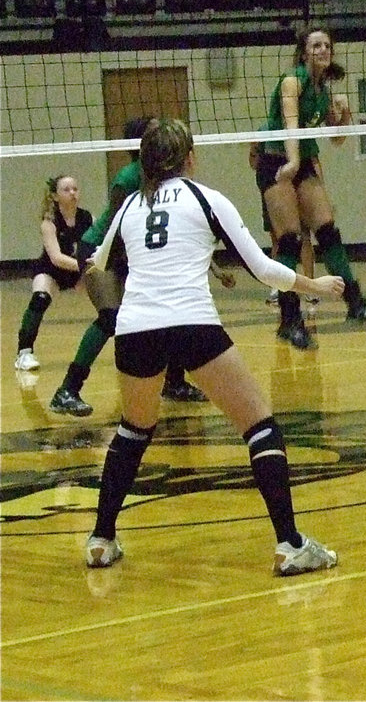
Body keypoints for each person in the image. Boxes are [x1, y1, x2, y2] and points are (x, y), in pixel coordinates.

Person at [87, 119, 341, 575]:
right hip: (191, 323)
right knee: (260, 425)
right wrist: (315, 286)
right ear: (189, 159)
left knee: (133, 430)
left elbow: (97, 263)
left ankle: (101, 539)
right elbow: (263, 268)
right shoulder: (205, 198)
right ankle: (289, 544)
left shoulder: (129, 206)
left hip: (136, 328)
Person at [50, 117, 209, 417]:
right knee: (110, 318)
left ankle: (173, 382)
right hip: (101, 250)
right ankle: (67, 390)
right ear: (141, 143)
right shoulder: (127, 177)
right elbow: (118, 226)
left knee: (168, 308)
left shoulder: (166, 177)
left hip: (131, 253)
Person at [257, 25, 366, 351]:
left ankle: (355, 301)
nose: (323, 50)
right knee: (290, 239)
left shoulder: (322, 88)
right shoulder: (292, 81)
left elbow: (336, 139)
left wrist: (345, 114)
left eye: (327, 45)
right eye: (316, 46)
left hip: (303, 163)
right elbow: (290, 125)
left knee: (327, 229)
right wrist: (294, 162)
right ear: (304, 52)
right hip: (277, 163)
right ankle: (289, 320)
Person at [14, 175, 93, 372]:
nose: (73, 193)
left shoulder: (88, 218)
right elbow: (57, 258)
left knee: (111, 300)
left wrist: (86, 276)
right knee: (40, 298)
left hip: (78, 269)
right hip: (52, 271)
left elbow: (96, 248)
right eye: (66, 190)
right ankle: (24, 353)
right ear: (56, 197)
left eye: (75, 188)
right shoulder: (49, 221)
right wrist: (84, 266)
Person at [248, 136, 316, 311]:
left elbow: (314, 161)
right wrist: (254, 149)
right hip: (274, 190)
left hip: (297, 189)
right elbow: (254, 164)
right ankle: (278, 286)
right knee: (278, 239)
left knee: (304, 237)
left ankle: (310, 285)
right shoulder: (263, 132)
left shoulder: (298, 134)